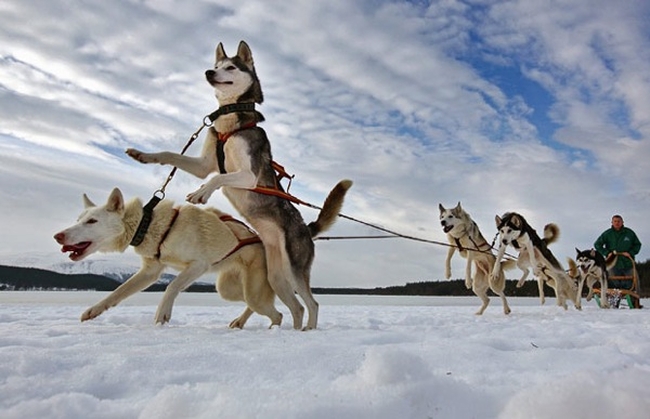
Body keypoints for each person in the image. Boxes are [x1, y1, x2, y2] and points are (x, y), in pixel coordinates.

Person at [594, 215, 642, 307]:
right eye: (615, 221)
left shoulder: (629, 233)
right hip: (612, 263)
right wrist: (607, 252)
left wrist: (630, 253)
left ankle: (634, 304)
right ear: (612, 223)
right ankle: (613, 304)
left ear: (622, 222)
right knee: (612, 283)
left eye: (619, 221)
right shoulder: (607, 234)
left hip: (627, 262)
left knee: (633, 283)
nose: (617, 223)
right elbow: (597, 244)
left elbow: (637, 245)